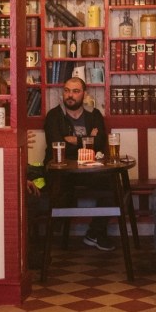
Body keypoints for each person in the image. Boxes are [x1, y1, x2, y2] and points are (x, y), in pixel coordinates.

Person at [42, 76, 113, 251]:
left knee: (114, 185)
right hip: (62, 172)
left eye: (75, 91)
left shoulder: (94, 114)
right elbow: (56, 143)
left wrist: (74, 140)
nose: (70, 95)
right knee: (57, 191)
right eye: (66, 91)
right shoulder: (53, 116)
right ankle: (55, 239)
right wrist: (87, 139)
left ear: (84, 94)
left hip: (89, 170)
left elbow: (99, 143)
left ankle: (95, 232)